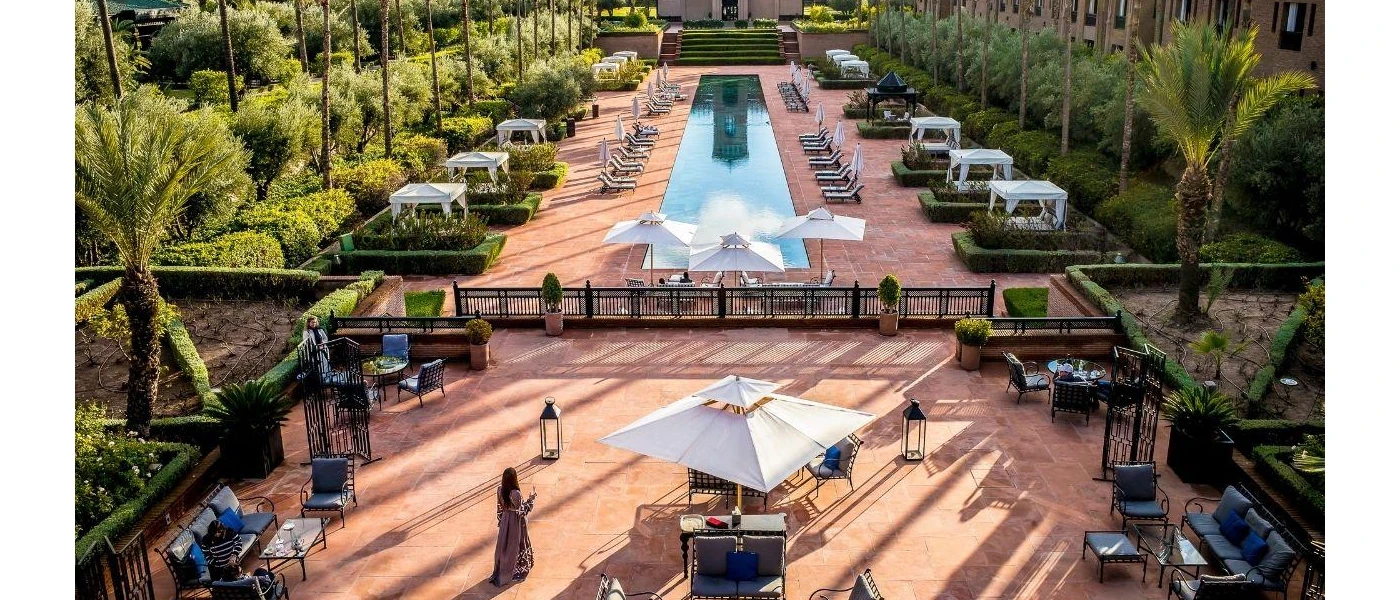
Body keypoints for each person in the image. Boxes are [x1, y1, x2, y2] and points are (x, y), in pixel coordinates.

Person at [490, 467, 537, 586]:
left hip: (506, 522)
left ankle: (503, 568)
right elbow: (523, 511)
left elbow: (499, 508)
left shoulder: (499, 490)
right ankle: (518, 568)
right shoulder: (516, 494)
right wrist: (531, 498)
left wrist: (502, 523)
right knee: (519, 543)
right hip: (517, 523)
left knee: (505, 545)